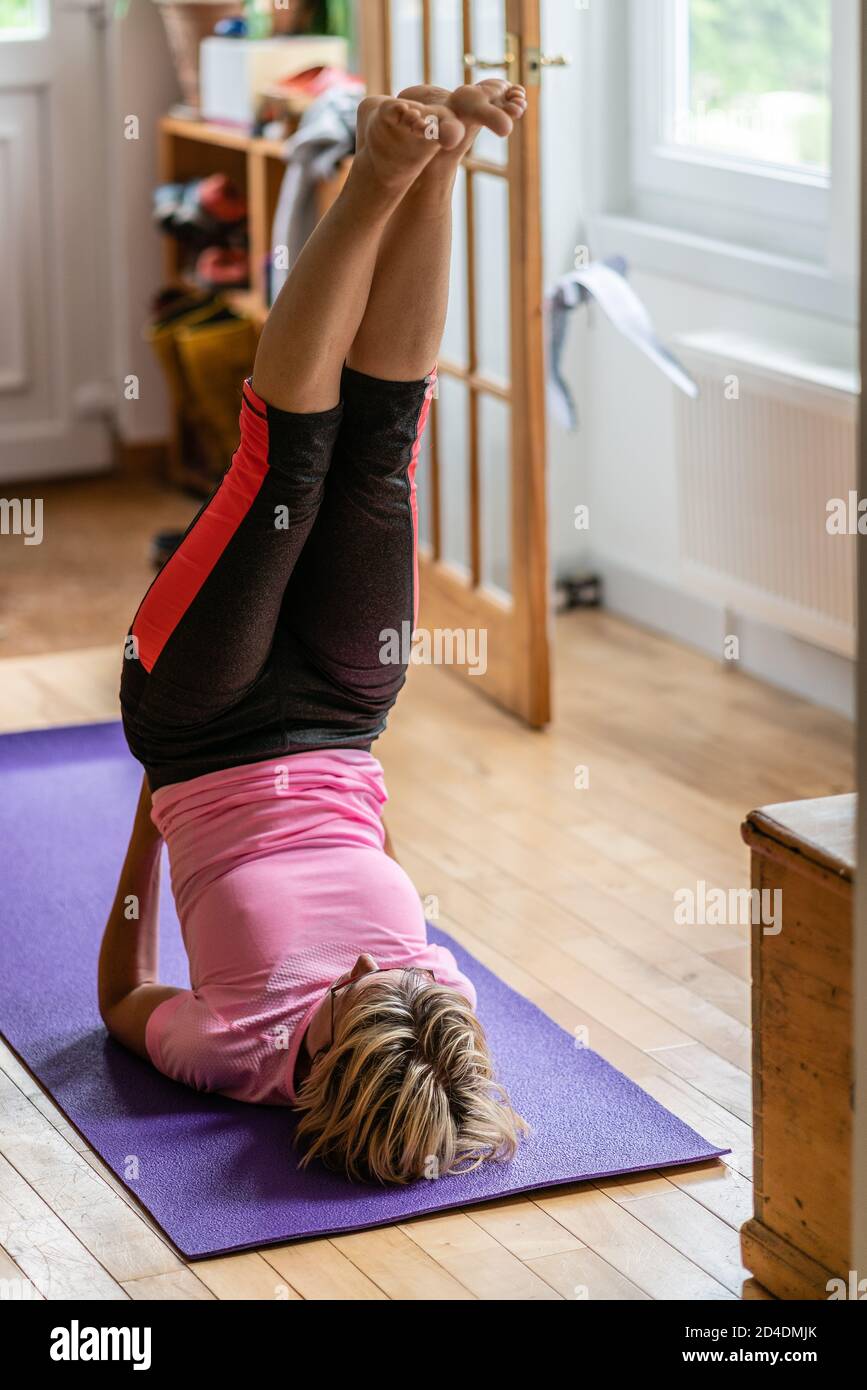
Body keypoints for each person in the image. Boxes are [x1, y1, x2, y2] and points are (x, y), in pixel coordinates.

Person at [99, 82, 530, 1186]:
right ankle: (440, 160)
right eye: (397, 977)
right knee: (380, 452)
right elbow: (371, 852)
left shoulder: (233, 1053)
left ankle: (373, 176)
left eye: (351, 995)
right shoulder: (435, 1010)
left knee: (285, 462)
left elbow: (122, 1000)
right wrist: (348, 780)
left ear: (323, 1063)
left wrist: (152, 816)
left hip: (196, 722)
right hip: (343, 714)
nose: (371, 968)